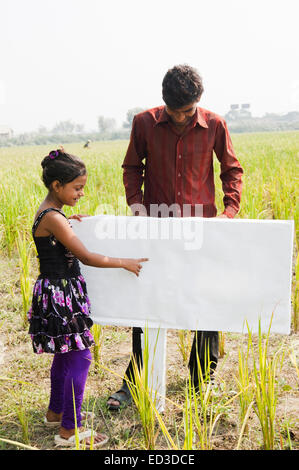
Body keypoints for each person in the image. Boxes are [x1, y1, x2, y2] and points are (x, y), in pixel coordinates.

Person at [107, 64, 243, 410]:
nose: (184, 117)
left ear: (199, 101)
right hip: (155, 228)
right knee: (148, 301)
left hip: (202, 229)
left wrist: (228, 213)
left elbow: (232, 170)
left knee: (205, 300)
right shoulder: (143, 123)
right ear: (164, 102)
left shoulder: (214, 124)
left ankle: (202, 378)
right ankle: (134, 381)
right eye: (177, 111)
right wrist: (136, 205)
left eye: (190, 110)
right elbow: (131, 167)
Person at [27, 148, 148, 447]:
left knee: (65, 355)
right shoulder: (54, 217)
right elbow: (86, 256)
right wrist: (124, 262)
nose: (81, 193)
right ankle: (70, 430)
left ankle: (56, 413)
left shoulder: (52, 213)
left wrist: (67, 222)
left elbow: (60, 235)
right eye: (77, 188)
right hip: (61, 294)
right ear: (57, 186)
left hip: (55, 291)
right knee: (80, 357)